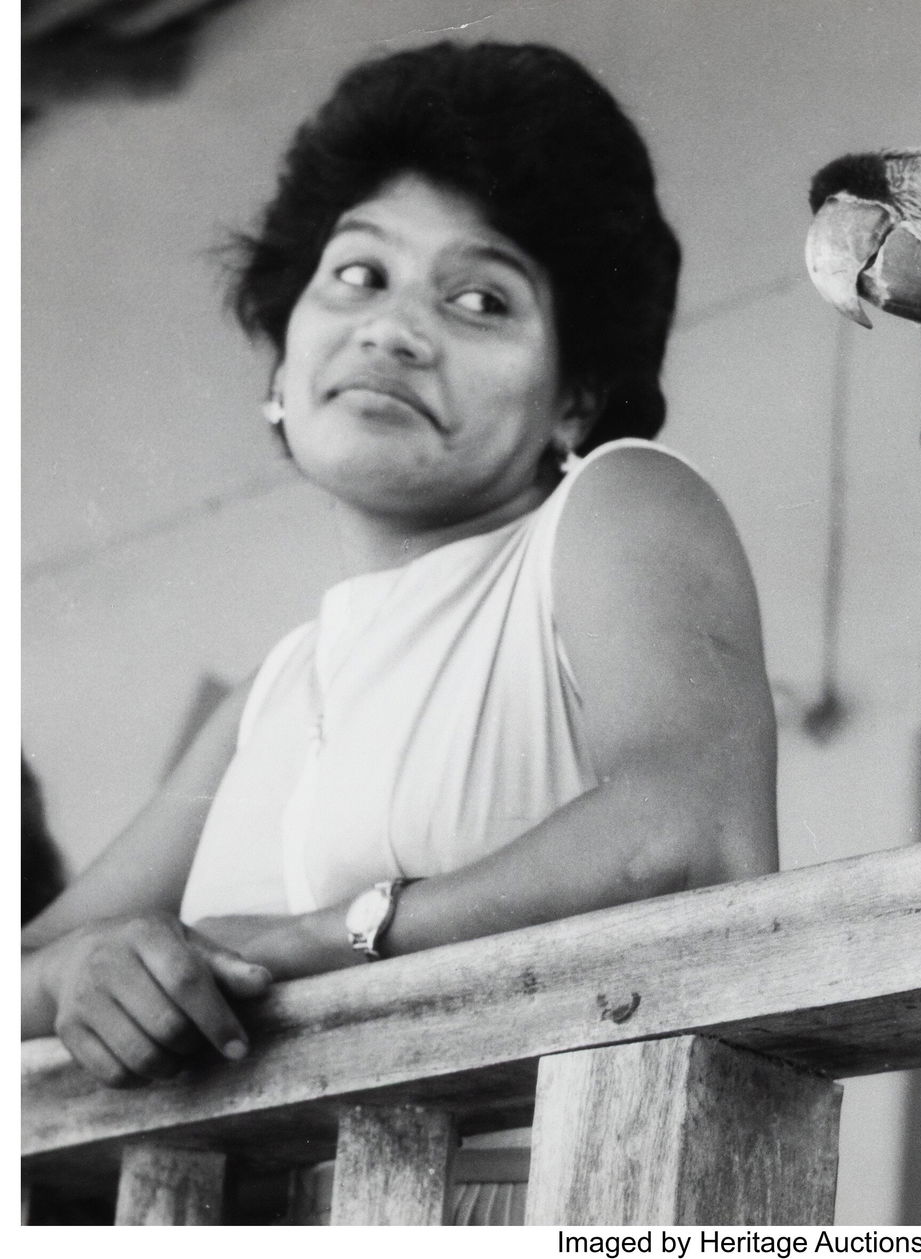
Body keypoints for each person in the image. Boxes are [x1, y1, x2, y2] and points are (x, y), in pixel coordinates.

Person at [22, 43, 778, 1107]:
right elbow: (33, 963)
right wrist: (82, 972)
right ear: (283, 359)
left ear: (573, 396)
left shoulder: (613, 508)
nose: (396, 329)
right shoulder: (272, 692)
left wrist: (316, 940)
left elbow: (689, 835)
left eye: (478, 300)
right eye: (359, 275)